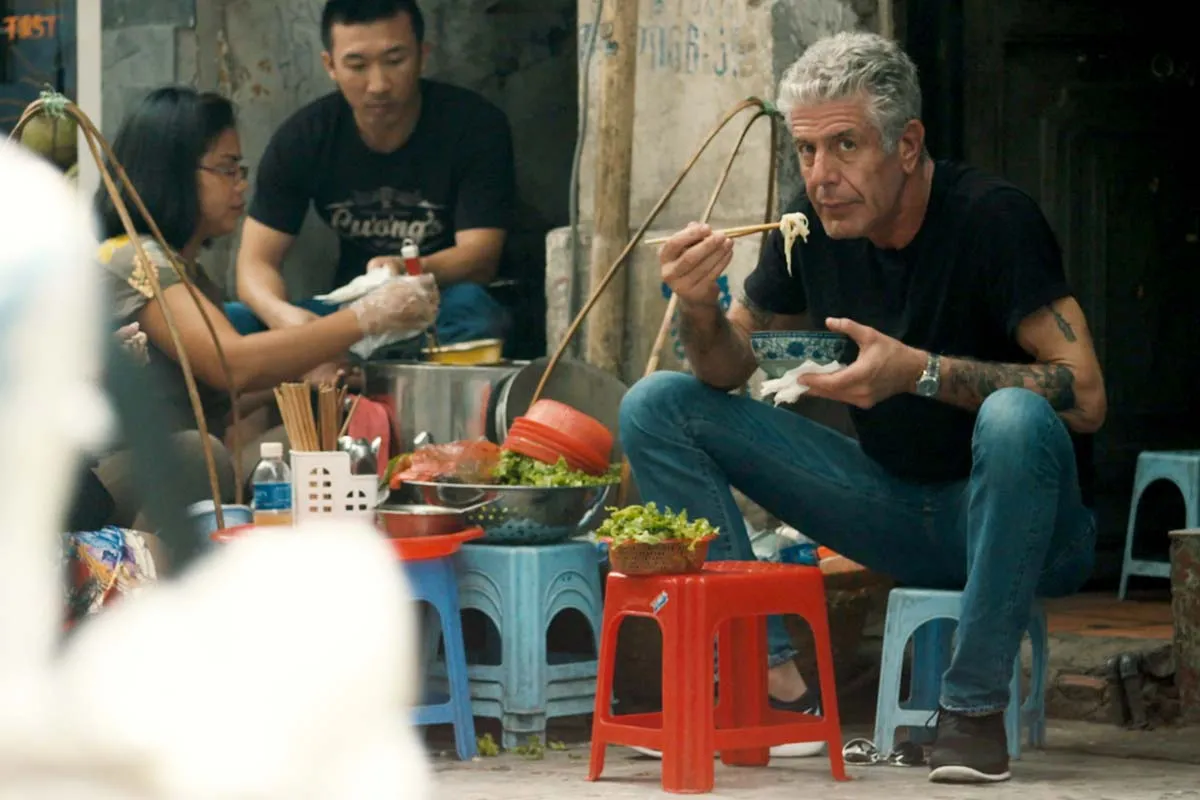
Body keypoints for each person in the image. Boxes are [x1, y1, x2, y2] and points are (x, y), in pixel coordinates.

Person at [620, 32, 1105, 784]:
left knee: (1015, 417)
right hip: (894, 508)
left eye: (845, 146)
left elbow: (1086, 396)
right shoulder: (810, 226)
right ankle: (772, 687)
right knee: (658, 404)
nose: (821, 176)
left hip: (1030, 530)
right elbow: (726, 369)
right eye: (806, 150)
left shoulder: (992, 219)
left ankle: (972, 712)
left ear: (906, 145)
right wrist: (698, 306)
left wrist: (920, 374)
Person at [94, 86, 439, 527]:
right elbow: (230, 366)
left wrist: (306, 375)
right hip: (112, 481)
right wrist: (366, 316)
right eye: (226, 169)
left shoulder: (190, 272)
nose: (241, 185)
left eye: (241, 170)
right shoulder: (133, 258)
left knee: (319, 445)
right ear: (172, 172)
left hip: (183, 467)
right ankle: (146, 569)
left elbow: (220, 396)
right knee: (199, 454)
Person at [229, 0, 515, 349]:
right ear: (330, 66)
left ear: (423, 56)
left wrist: (406, 268)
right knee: (234, 321)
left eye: (395, 61)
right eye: (357, 65)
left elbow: (481, 257)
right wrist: (287, 322)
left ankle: (351, 366)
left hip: (437, 304)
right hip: (349, 314)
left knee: (476, 313)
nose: (378, 84)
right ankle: (343, 360)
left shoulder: (473, 126)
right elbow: (255, 263)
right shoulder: (304, 137)